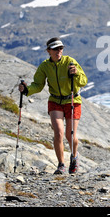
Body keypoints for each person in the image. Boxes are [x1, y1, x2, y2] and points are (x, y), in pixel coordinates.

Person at [19, 37, 87, 174]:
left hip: (72, 101)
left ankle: (74, 157)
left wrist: (76, 73)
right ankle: (61, 165)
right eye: (55, 49)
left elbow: (83, 81)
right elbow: (38, 85)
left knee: (70, 135)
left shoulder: (70, 62)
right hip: (55, 101)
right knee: (59, 133)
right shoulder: (44, 66)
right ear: (48, 51)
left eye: (60, 48)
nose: (59, 51)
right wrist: (26, 90)